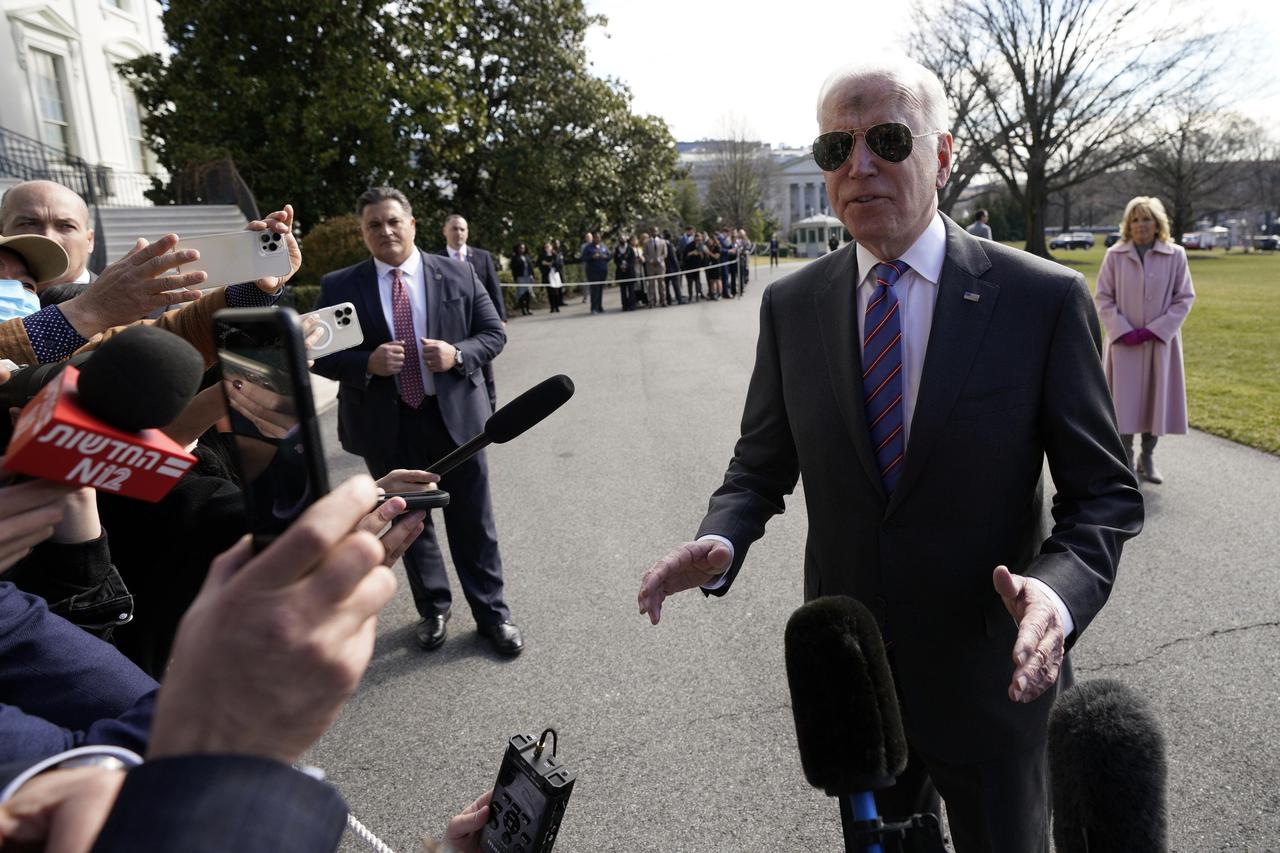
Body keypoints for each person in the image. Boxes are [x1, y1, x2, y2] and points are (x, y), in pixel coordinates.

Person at [636, 57, 1142, 853]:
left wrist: (1057, 594)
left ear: (943, 155)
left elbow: (1104, 496)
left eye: (887, 139)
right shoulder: (792, 305)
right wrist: (723, 533)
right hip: (856, 684)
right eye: (836, 148)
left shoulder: (1041, 300)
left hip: (994, 678)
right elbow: (761, 465)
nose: (858, 165)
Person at [311, 187, 523, 656]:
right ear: (363, 233)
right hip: (387, 425)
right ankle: (434, 609)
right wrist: (366, 363)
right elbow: (319, 356)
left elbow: (492, 334)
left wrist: (457, 354)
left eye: (392, 221)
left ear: (411, 224)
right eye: (373, 225)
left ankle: (493, 614)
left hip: (455, 424)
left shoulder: (458, 272)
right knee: (408, 523)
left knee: (474, 522)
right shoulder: (340, 286)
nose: (384, 231)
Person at [1094, 196, 1195, 484]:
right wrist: (1123, 330)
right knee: (1121, 405)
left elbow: (1184, 297)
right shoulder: (1115, 255)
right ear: (1128, 224)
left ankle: (1147, 457)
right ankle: (1125, 460)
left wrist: (1157, 329)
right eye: (1135, 220)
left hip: (1159, 344)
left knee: (1156, 401)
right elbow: (1103, 296)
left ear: (1158, 223)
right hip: (1124, 344)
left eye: (1146, 219)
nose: (1141, 225)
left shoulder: (1175, 255)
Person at [439, 214, 504, 412]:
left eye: (462, 229)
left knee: (486, 372)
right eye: (454, 229)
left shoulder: (482, 256)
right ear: (445, 231)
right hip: (453, 328)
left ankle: (490, 415)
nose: (458, 233)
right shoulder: (437, 260)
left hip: (480, 324)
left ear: (467, 232)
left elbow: (494, 288)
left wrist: (501, 317)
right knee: (458, 373)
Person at [0, 180, 96, 307]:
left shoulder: (125, 313)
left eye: (66, 226)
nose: (48, 238)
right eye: (29, 224)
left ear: (89, 240)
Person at [581, 232, 610, 315]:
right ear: (593, 238)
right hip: (592, 272)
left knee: (600, 289)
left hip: (602, 271)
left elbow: (609, 256)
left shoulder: (603, 246)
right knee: (594, 290)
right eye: (596, 237)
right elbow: (584, 258)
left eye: (599, 237)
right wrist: (592, 257)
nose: (598, 239)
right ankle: (594, 307)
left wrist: (605, 257)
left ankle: (600, 306)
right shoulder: (588, 248)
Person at [641, 230, 668, 307]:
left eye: (655, 231)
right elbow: (644, 253)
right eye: (652, 231)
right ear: (650, 233)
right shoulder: (646, 243)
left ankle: (663, 301)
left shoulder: (662, 241)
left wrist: (659, 259)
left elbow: (665, 253)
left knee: (661, 284)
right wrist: (650, 260)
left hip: (660, 265)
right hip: (650, 266)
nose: (654, 233)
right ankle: (652, 302)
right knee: (651, 284)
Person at [660, 229, 685, 304]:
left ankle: (668, 300)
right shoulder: (669, 245)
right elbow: (673, 257)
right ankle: (679, 299)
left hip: (665, 267)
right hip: (672, 268)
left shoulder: (662, 244)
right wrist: (677, 267)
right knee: (676, 284)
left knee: (666, 285)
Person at [613, 234, 637, 311]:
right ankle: (624, 305)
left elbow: (633, 260)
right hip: (621, 273)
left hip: (629, 272)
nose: (622, 240)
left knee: (631, 290)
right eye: (621, 239)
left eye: (623, 239)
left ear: (626, 240)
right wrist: (620, 266)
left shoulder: (630, 248)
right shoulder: (617, 249)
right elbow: (615, 260)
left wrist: (627, 266)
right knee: (623, 290)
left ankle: (632, 305)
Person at [538, 241, 563, 313]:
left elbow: (559, 263)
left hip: (555, 274)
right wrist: (546, 264)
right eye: (546, 247)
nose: (547, 248)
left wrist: (550, 263)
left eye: (549, 246)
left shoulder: (555, 254)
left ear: (551, 247)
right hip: (547, 275)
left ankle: (557, 306)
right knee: (550, 291)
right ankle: (552, 307)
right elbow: (541, 264)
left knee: (556, 291)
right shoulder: (542, 255)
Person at [511, 242, 535, 317]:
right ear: (517, 249)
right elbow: (513, 269)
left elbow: (531, 267)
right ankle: (523, 310)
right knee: (521, 294)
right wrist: (515, 277)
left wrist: (532, 275)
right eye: (521, 248)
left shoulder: (527, 256)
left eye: (523, 248)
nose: (522, 249)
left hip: (528, 277)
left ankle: (528, 309)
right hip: (520, 277)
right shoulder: (515, 257)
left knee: (528, 293)